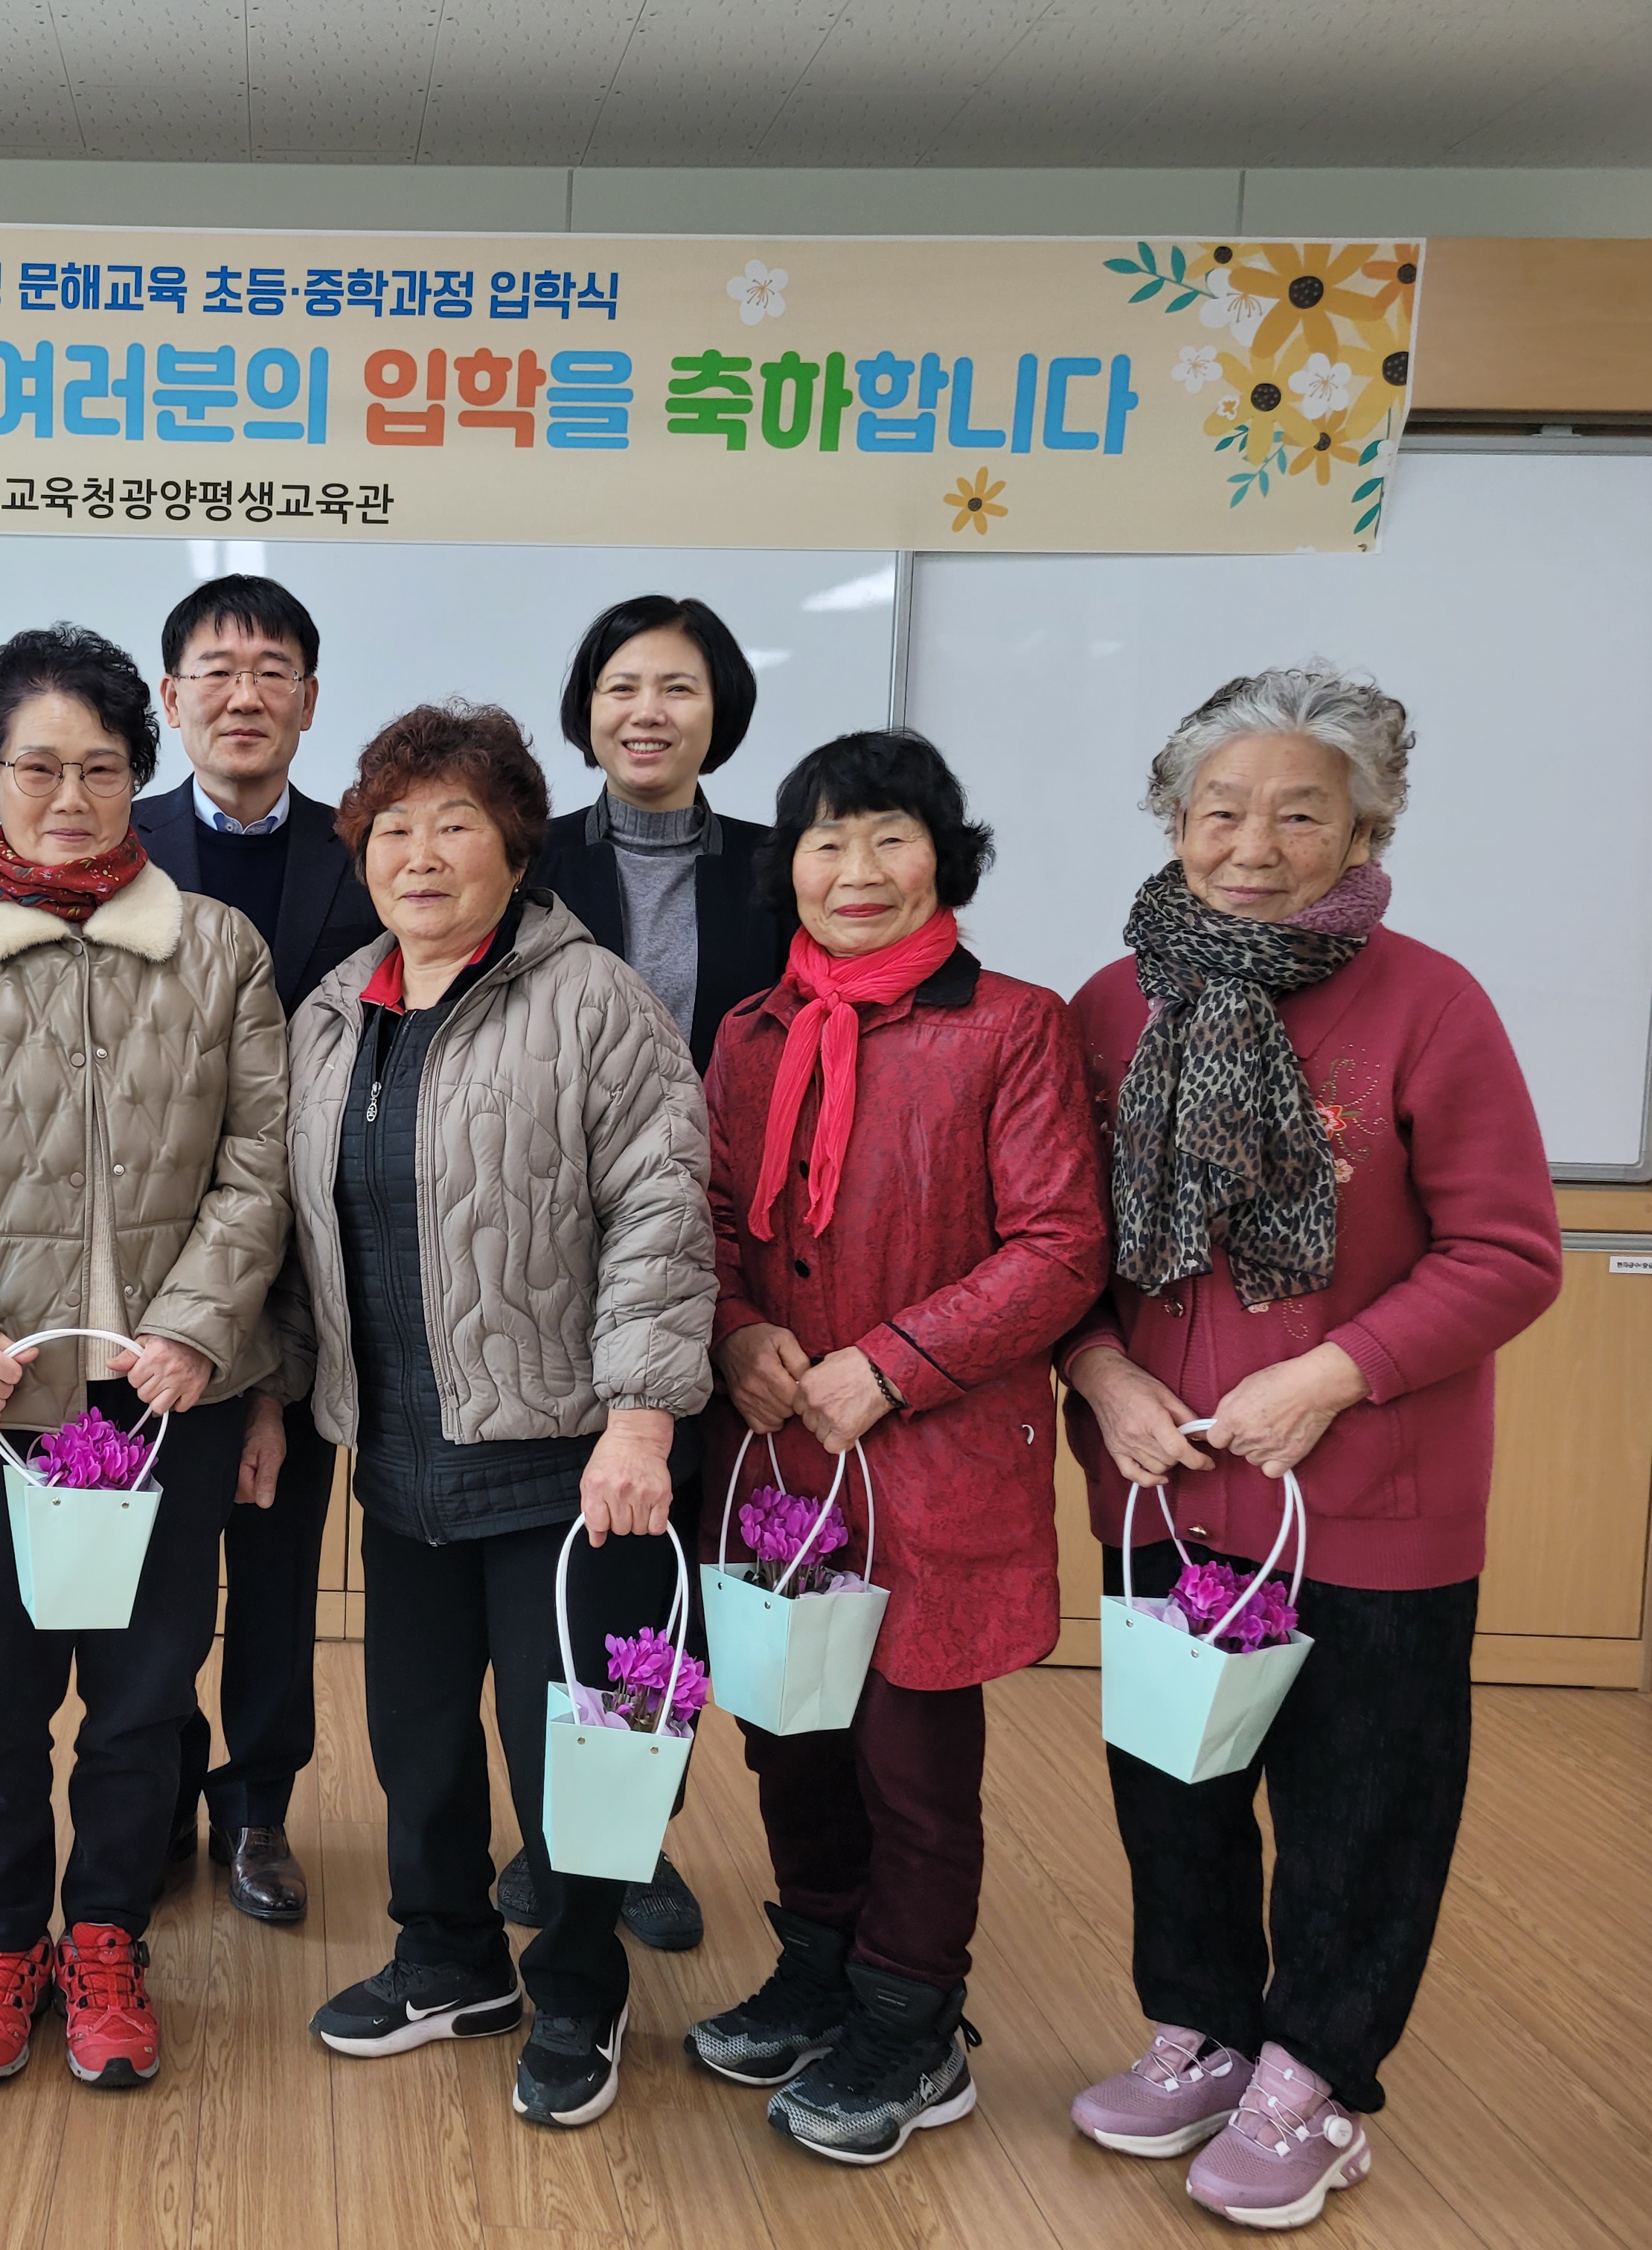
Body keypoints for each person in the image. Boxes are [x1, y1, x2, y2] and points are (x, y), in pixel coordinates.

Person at [1059, 669, 1558, 2232]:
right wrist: (1098, 1374)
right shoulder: (1111, 1003)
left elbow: (1508, 1253)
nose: (1254, 846)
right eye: (1222, 810)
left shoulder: (1432, 1003)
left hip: (1369, 1496)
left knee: (1361, 1807)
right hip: (1164, 1485)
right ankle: (1204, 2032)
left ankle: (1317, 2080)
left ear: (1365, 831)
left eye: (1299, 815)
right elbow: (1062, 1245)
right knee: (1175, 1788)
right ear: (1174, 821)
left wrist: (1335, 1376)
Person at [0, 622, 289, 2091]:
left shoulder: (217, 948)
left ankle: (105, 1937)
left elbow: (260, 1161)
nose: (69, 798)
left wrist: (197, 1330)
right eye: (36, 768)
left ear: (137, 777)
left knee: (146, 1689)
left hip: (169, 1398)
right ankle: (0, 1946)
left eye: (102, 769)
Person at [292, 702, 716, 2132]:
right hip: (399, 1453)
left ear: (517, 850)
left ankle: (581, 1988)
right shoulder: (335, 1013)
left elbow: (662, 1213)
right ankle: (447, 1960)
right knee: (415, 1734)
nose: (419, 854)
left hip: (562, 1461)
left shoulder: (593, 999)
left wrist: (641, 1419)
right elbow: (302, 1230)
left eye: (455, 824)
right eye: (393, 828)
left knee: (571, 1752)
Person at [687, 728, 1108, 2166]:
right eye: (825, 840)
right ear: (789, 866)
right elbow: (710, 1216)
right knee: (791, 1739)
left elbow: (1061, 1245)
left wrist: (894, 1363)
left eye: (889, 837)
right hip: (781, 1450)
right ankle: (819, 1970)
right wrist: (738, 1332)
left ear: (944, 857)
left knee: (912, 1760)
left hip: (934, 1452)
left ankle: (913, 2020)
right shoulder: (750, 1033)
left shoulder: (1014, 1025)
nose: (855, 869)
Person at [513, 590, 792, 1952]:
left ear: (719, 712)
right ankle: (543, 1833)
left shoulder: (785, 872)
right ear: (586, 711)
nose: (647, 712)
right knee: (549, 1562)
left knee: (661, 1567)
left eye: (678, 687)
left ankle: (634, 1837)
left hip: (722, 1254)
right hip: (539, 1262)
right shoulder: (528, 860)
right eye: (622, 686)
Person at [135, 571, 384, 1925]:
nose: (245, 695)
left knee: (280, 1564)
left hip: (316, 1268)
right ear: (171, 698)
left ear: (310, 699)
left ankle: (259, 1809)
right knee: (155, 1564)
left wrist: (279, 1358)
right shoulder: (115, 846)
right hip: (144, 1278)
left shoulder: (368, 857)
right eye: (217, 672)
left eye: (273, 670)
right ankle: (157, 1784)